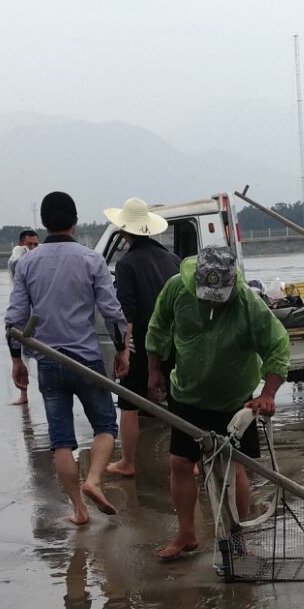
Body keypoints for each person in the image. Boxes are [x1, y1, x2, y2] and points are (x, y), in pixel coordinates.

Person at [143, 246, 291, 560]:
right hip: (187, 393)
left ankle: (238, 538)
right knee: (180, 464)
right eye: (206, 295)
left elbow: (277, 346)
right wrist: (154, 371)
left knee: (232, 468)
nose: (211, 302)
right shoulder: (175, 289)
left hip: (233, 399)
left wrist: (267, 394)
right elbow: (157, 328)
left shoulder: (248, 304)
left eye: (218, 296)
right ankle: (186, 534)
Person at [5, 192, 130, 526]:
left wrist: (17, 360)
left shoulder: (27, 262)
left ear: (45, 223)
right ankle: (93, 480)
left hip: (47, 362)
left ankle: (78, 509)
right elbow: (112, 311)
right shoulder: (91, 259)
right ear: (75, 221)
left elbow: (15, 318)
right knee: (105, 425)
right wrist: (122, 350)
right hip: (85, 358)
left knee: (61, 442)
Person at [101, 199, 181, 479]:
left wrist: (122, 351)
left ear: (126, 232)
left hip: (143, 344)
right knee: (178, 401)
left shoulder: (126, 264)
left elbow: (127, 313)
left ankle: (128, 462)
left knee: (129, 403)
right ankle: (189, 462)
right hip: (174, 342)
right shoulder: (173, 260)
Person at [6, 230, 42, 403]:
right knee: (21, 356)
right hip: (23, 314)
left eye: (36, 244)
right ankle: (23, 394)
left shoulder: (42, 258)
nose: (33, 248)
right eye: (30, 244)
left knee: (44, 356)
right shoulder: (17, 259)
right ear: (21, 244)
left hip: (40, 315)